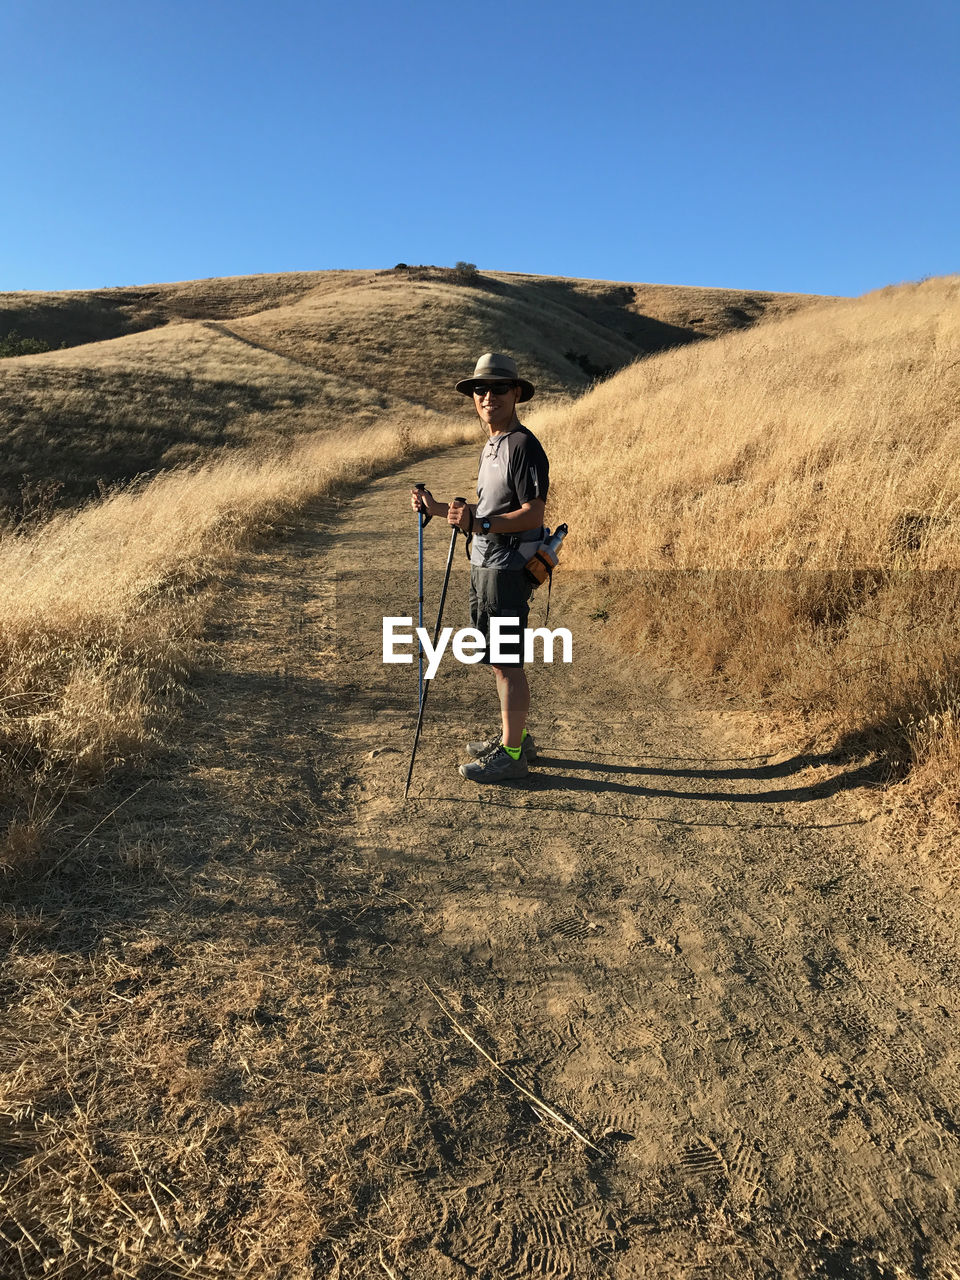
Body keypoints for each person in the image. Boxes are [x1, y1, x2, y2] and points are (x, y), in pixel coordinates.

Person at [411, 353, 549, 783]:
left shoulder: (523, 445)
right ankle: (516, 737)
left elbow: (533, 515)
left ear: (516, 394)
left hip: (506, 568)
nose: (488, 396)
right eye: (480, 389)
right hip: (486, 562)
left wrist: (481, 523)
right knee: (497, 659)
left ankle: (511, 755)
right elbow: (487, 510)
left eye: (499, 389)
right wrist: (437, 509)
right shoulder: (494, 445)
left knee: (507, 661)